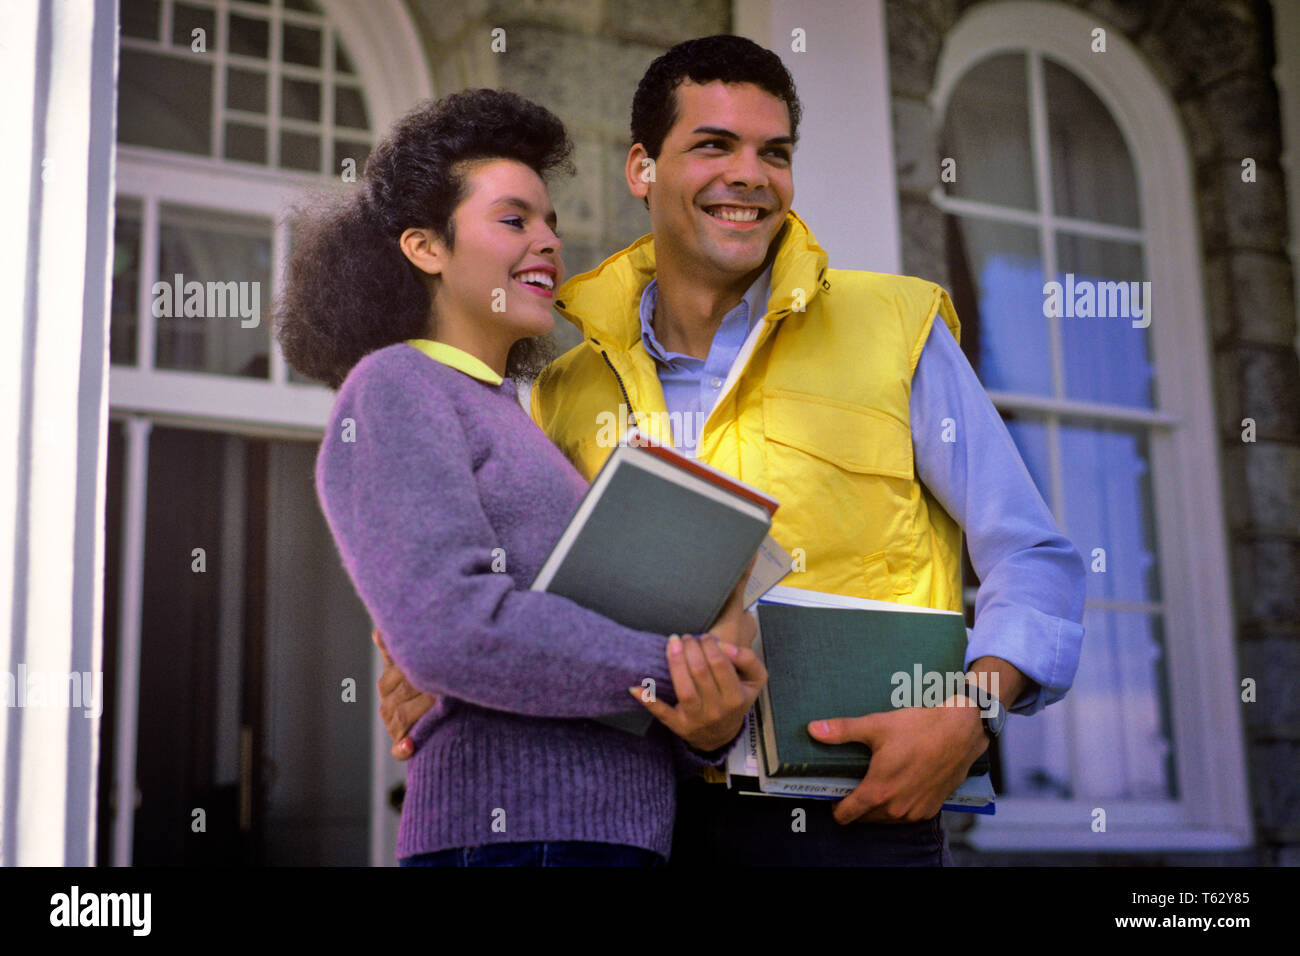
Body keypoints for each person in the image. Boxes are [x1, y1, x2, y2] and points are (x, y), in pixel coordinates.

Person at [377, 37, 1087, 866]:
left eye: (774, 152)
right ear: (641, 167)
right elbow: (521, 597)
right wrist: (439, 664)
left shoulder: (896, 329)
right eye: (714, 145)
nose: (750, 174)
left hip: (856, 818)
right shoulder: (562, 391)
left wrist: (973, 713)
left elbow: (1033, 553)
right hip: (636, 822)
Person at [276, 87, 766, 867]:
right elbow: (453, 630)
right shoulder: (397, 387)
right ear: (425, 247)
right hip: (516, 842)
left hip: (618, 838)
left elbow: (571, 664)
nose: (547, 244)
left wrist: (708, 711)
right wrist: (671, 668)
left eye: (551, 224)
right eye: (514, 220)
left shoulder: (521, 421)